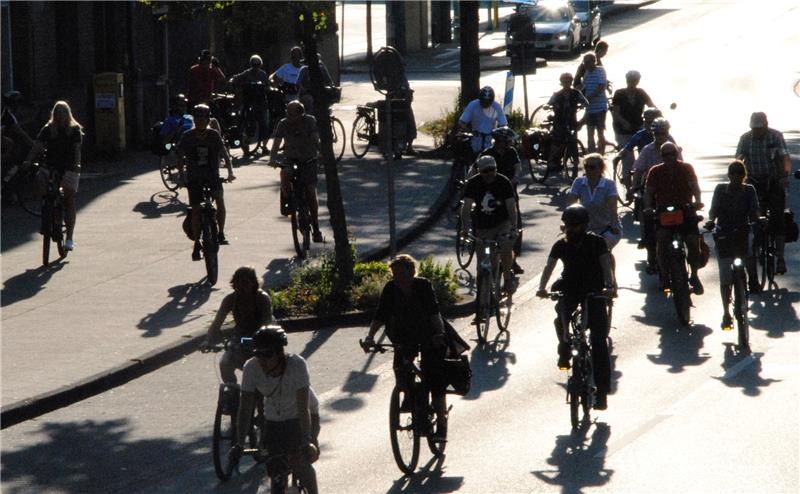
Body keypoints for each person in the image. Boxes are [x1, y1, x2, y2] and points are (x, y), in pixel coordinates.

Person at [536, 204, 616, 410]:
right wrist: (542, 288)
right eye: (568, 225)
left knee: (599, 342)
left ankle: (602, 393)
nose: (571, 230)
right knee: (560, 316)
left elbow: (606, 265)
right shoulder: (560, 245)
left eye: (576, 226)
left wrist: (610, 286)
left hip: (594, 291)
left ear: (585, 225)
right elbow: (549, 266)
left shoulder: (597, 243)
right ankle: (564, 348)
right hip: (570, 286)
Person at [362, 255, 449, 440]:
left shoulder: (423, 286)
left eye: (403, 274)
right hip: (403, 336)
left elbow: (434, 313)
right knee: (400, 368)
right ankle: (409, 395)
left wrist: (439, 334)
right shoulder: (390, 289)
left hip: (428, 334)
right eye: (395, 274)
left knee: (434, 375)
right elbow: (380, 314)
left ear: (412, 272)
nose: (399, 278)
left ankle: (441, 420)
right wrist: (370, 337)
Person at [233, 326, 320, 494]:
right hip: (273, 418)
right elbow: (245, 409)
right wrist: (239, 443)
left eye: (267, 355)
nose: (262, 360)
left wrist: (307, 440)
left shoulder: (297, 365)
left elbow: (303, 408)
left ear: (280, 354)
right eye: (258, 354)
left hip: (303, 414)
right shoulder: (251, 367)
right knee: (275, 468)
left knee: (300, 461)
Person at [704, 160, 761, 333]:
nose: (736, 176)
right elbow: (713, 210)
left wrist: (760, 218)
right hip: (724, 234)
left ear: (744, 176)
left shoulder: (749, 190)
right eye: (733, 173)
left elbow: (755, 209)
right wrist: (711, 221)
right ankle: (726, 313)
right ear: (728, 175)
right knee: (725, 277)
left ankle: (753, 281)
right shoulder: (720, 189)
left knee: (750, 254)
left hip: (742, 232)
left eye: (739, 173)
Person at [176, 104, 236, 260]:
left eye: (204, 117)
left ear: (209, 119)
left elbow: (224, 154)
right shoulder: (187, 136)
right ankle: (196, 243)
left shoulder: (214, 135)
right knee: (195, 209)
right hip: (194, 178)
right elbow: (179, 157)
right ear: (194, 120)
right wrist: (182, 177)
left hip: (212, 176)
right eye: (198, 117)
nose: (201, 121)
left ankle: (221, 233)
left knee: (219, 201)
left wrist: (230, 172)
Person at [22, 101, 83, 251]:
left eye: (63, 113)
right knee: (43, 188)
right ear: (54, 115)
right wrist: (28, 161)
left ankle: (69, 237)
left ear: (68, 114)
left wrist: (77, 165)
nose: (60, 116)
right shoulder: (48, 129)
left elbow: (77, 151)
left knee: (69, 199)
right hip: (51, 166)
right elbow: (37, 146)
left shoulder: (74, 130)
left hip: (68, 167)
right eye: (58, 113)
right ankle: (47, 219)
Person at [644, 141, 704, 294]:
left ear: (677, 154)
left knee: (692, 242)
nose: (669, 157)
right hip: (664, 214)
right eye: (666, 155)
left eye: (672, 154)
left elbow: (695, 187)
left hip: (686, 211)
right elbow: (649, 193)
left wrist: (697, 202)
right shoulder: (655, 171)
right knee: (662, 241)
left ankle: (695, 275)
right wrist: (649, 208)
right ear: (661, 156)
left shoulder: (686, 168)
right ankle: (664, 277)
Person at [735, 112, 792, 275]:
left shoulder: (775, 136)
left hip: (773, 181)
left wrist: (783, 177)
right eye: (754, 128)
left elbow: (785, 158)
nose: (756, 131)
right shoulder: (745, 138)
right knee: (750, 216)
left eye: (759, 128)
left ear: (766, 126)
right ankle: (754, 246)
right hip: (753, 181)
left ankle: (780, 258)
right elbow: (739, 158)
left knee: (778, 218)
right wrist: (738, 177)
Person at [203, 266, 274, 383]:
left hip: (263, 337)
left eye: (245, 283)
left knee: (264, 368)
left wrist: (260, 340)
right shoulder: (230, 299)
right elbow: (217, 322)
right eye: (238, 284)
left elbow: (266, 322)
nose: (241, 288)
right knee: (225, 364)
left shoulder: (262, 298)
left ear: (253, 283)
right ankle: (232, 392)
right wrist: (208, 340)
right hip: (241, 337)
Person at [460, 155, 519, 296]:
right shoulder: (473, 183)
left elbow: (511, 206)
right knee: (484, 262)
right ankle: (484, 298)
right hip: (482, 227)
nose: (489, 174)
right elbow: (466, 207)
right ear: (479, 171)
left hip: (501, 223)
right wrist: (465, 228)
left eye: (492, 170)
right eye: (485, 171)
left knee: (505, 247)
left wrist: (514, 226)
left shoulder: (503, 182)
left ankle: (507, 277)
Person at [268, 100, 323, 243]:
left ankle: (316, 227)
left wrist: (321, 153)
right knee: (285, 174)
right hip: (291, 159)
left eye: (293, 114)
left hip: (308, 160)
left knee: (311, 190)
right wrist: (272, 158)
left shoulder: (310, 121)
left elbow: (316, 140)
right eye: (288, 113)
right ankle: (289, 202)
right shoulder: (283, 123)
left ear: (301, 114)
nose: (290, 117)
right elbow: (276, 143)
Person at [632, 117, 680, 270]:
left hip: (673, 191)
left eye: (663, 133)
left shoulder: (673, 148)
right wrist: (635, 188)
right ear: (653, 134)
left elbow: (683, 169)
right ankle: (651, 252)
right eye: (657, 133)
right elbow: (638, 171)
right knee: (647, 219)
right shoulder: (647, 150)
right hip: (652, 192)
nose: (660, 136)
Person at [480, 126, 524, 274]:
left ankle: (513, 260)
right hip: (491, 195)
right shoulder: (488, 154)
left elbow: (517, 166)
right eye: (508, 141)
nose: (511, 143)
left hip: (510, 193)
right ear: (500, 142)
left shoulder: (512, 152)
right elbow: (475, 169)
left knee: (515, 225)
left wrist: (516, 177)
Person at [567, 153, 622, 252]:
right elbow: (570, 207)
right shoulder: (579, 182)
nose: (588, 170)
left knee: (601, 251)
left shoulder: (609, 185)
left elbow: (613, 209)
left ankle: (608, 265)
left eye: (592, 167)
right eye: (586, 166)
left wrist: (614, 225)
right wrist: (568, 223)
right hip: (584, 229)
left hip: (606, 228)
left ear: (601, 169)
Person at [546, 72, 589, 170]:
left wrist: (583, 105)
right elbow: (548, 103)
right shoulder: (557, 94)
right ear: (561, 83)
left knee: (573, 139)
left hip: (571, 121)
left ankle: (575, 158)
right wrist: (547, 106)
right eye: (564, 82)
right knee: (558, 140)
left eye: (569, 81)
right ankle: (552, 159)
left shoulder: (576, 93)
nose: (567, 83)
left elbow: (586, 102)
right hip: (559, 121)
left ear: (571, 82)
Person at [611, 107, 662, 189]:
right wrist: (618, 157)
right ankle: (630, 190)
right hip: (645, 166)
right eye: (645, 121)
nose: (646, 124)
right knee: (636, 183)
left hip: (663, 165)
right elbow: (627, 148)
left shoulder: (664, 135)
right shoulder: (640, 135)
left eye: (649, 122)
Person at [230, 54, 270, 152]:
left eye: (257, 65)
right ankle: (245, 140)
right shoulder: (246, 74)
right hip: (248, 102)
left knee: (264, 123)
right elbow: (235, 79)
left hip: (261, 102)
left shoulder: (263, 75)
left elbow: (268, 86)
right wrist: (232, 82)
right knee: (247, 121)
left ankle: (264, 146)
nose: (256, 67)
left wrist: (268, 87)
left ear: (260, 65)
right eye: (254, 65)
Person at [610, 70, 655, 149]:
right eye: (630, 80)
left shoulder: (641, 92)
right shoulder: (619, 93)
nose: (632, 82)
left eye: (635, 80)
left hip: (638, 126)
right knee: (627, 158)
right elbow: (616, 113)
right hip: (622, 129)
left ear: (638, 81)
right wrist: (624, 123)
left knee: (645, 151)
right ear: (627, 80)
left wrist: (658, 115)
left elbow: (652, 107)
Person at [458, 86, 508, 155]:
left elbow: (504, 124)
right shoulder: (473, 105)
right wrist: (468, 131)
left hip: (490, 140)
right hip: (474, 139)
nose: (485, 104)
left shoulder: (496, 107)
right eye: (483, 101)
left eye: (488, 102)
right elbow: (462, 122)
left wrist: (500, 133)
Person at [581, 53, 609, 154]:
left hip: (600, 107)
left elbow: (601, 87)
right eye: (585, 63)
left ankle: (601, 153)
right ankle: (591, 154)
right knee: (590, 132)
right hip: (590, 108)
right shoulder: (587, 73)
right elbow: (584, 86)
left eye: (588, 62)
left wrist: (590, 97)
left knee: (600, 132)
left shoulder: (600, 70)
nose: (586, 65)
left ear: (593, 62)